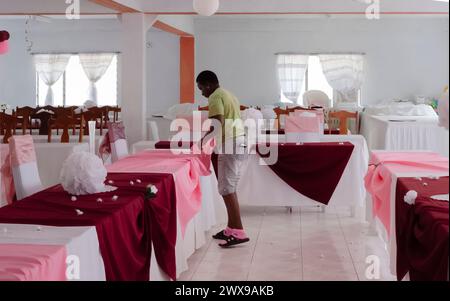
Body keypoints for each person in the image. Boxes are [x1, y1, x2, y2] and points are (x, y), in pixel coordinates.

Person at [196, 70, 249, 248]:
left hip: (231, 143)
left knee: (226, 188)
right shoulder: (229, 94)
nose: (202, 93)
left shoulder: (214, 97)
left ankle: (239, 231)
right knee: (228, 187)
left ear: (209, 85)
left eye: (201, 88)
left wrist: (201, 142)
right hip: (239, 140)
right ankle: (231, 228)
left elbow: (217, 123)